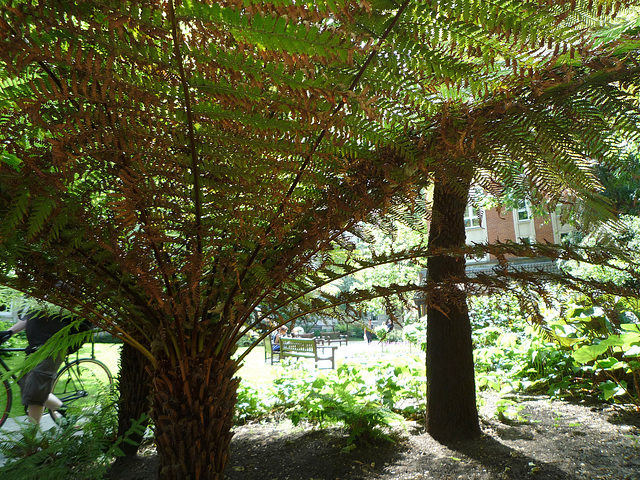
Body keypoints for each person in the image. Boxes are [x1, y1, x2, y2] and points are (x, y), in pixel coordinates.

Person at [0, 308, 71, 424]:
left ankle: (32, 437)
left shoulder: (59, 298)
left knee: (35, 391)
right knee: (28, 388)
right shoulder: (39, 300)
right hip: (34, 348)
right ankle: (62, 408)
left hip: (52, 348)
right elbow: (31, 318)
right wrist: (10, 332)